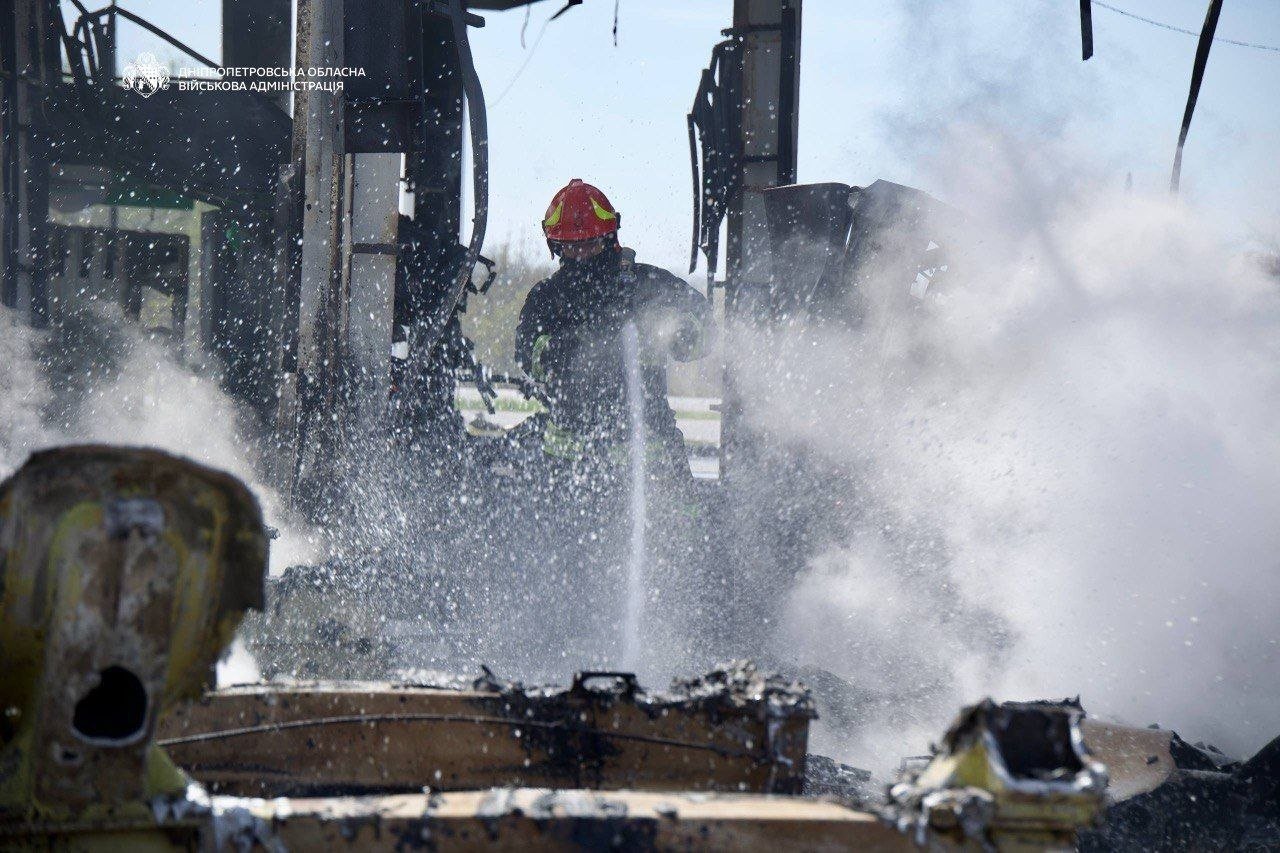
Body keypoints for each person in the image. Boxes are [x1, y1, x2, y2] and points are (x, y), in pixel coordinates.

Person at [514, 179, 714, 478]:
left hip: (651, 457)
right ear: (556, 246)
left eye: (589, 244)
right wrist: (554, 351)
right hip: (568, 465)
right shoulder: (546, 298)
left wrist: (684, 332)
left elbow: (706, 322)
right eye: (572, 247)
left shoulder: (646, 285)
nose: (582, 255)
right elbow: (525, 353)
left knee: (678, 510)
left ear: (609, 238)